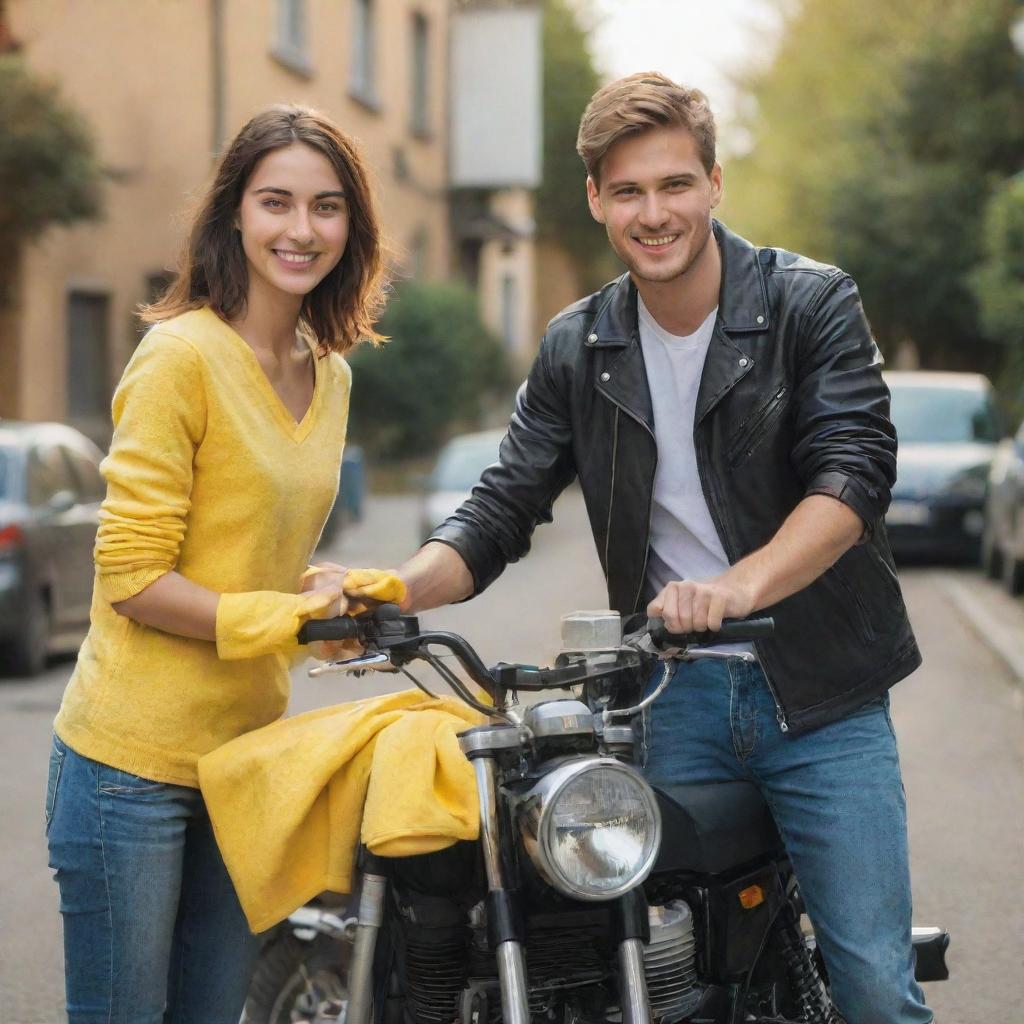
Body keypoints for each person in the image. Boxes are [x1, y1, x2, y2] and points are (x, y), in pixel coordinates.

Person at [390, 74, 931, 1023]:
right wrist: (396, 588)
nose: (655, 213)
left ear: (715, 184)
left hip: (822, 697)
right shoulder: (578, 343)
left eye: (675, 184)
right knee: (646, 974)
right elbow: (503, 504)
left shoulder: (811, 304)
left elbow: (850, 477)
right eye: (629, 191)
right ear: (597, 199)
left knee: (877, 990)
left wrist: (735, 585)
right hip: (668, 698)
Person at [46, 105, 390, 1023]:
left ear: (351, 226)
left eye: (326, 207)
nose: (300, 229)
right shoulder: (180, 356)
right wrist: (279, 619)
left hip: (244, 764)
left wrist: (322, 588)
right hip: (131, 766)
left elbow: (255, 541)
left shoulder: (333, 375)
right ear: (234, 212)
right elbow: (130, 575)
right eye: (275, 202)